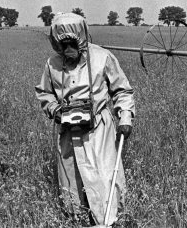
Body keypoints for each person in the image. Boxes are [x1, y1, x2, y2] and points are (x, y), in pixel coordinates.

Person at [35, 13, 135, 227]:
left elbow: (122, 90)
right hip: (68, 131)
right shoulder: (52, 64)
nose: (68, 49)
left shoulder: (102, 57)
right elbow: (45, 93)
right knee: (72, 179)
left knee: (104, 176)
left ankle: (111, 220)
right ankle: (78, 219)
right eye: (63, 45)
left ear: (80, 38)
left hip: (98, 128)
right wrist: (55, 110)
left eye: (72, 43)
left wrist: (125, 117)